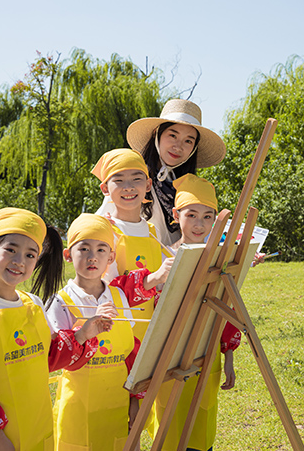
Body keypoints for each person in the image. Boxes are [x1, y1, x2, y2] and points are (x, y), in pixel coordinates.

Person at [0, 207, 112, 451]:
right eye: (11, 249)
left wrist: (83, 334)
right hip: (4, 438)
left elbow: (48, 357)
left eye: (30, 255)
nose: (19, 261)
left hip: (41, 427)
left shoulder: (34, 304)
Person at [154, 174, 240, 451]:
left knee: (201, 429)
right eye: (191, 215)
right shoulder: (163, 258)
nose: (199, 224)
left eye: (207, 216)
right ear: (175, 214)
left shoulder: (219, 260)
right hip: (168, 357)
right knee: (169, 427)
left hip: (207, 356)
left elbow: (226, 310)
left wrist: (227, 355)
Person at [46, 213, 139, 451]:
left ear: (111, 257)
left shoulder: (118, 296)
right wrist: (83, 333)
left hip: (116, 404)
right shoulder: (61, 302)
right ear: (68, 255)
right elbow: (56, 359)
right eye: (84, 248)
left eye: (101, 250)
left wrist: (135, 398)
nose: (92, 257)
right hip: (79, 408)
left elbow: (130, 351)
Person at [98, 99, 227, 246]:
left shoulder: (189, 186)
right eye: (173, 135)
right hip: (135, 264)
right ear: (156, 134)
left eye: (188, 141)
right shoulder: (133, 179)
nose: (178, 146)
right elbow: (100, 229)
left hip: (177, 263)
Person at [91, 148, 174, 342]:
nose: (128, 187)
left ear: (148, 185)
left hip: (151, 329)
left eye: (136, 179)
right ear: (105, 189)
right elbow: (101, 288)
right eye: (118, 180)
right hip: (117, 333)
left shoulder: (152, 230)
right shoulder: (105, 231)